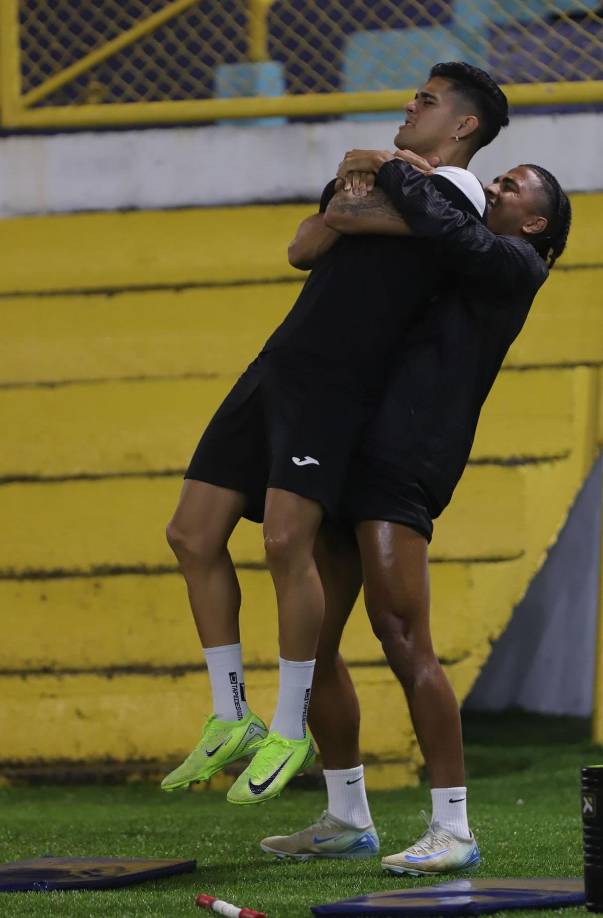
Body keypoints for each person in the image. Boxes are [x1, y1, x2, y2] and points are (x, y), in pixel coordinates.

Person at [161, 62, 509, 806]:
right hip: (277, 364)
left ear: (464, 125)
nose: (408, 105)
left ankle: (293, 730)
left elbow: (350, 219)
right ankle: (232, 715)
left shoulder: (463, 191)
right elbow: (303, 244)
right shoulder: (402, 181)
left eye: (426, 100)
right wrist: (367, 186)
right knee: (190, 534)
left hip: (336, 385)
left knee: (288, 545)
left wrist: (368, 177)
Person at [259, 155, 572, 872]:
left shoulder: (517, 263)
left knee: (402, 636)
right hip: (352, 447)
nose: (491, 186)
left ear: (534, 223)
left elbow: (442, 222)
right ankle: (345, 817)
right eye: (496, 178)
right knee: (313, 642)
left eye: (510, 187)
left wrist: (398, 169)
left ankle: (453, 828)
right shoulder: (452, 250)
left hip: (407, 461)